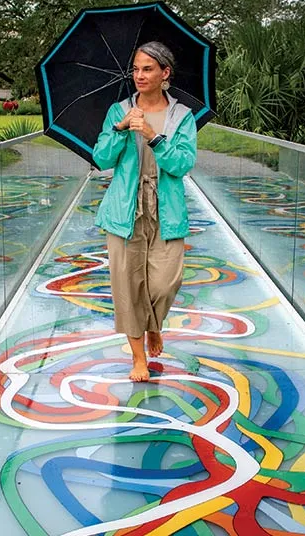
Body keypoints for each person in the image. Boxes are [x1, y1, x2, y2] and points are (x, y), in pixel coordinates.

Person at [92, 42, 198, 382]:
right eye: (136, 69)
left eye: (148, 69)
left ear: (165, 73)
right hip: (125, 210)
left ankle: (154, 324)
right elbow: (102, 159)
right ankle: (139, 358)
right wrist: (121, 129)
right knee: (128, 285)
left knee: (165, 283)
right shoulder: (118, 110)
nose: (139, 75)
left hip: (166, 209)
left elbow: (182, 164)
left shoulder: (181, 117)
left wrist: (153, 136)